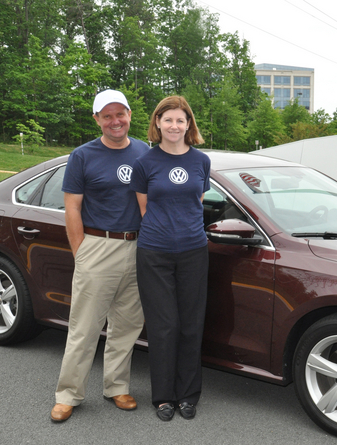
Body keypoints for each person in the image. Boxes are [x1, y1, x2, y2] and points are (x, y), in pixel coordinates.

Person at [51, 90, 148, 422]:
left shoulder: (143, 151)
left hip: (137, 246)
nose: (115, 121)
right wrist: (82, 253)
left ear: (130, 115)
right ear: (97, 120)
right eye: (107, 116)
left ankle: (116, 387)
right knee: (84, 326)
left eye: (120, 114)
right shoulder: (82, 155)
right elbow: (72, 208)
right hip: (97, 244)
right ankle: (68, 394)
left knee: (128, 324)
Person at [129, 96, 211, 421]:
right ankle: (163, 397)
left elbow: (197, 202)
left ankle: (188, 395)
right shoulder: (145, 163)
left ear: (189, 124)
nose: (174, 126)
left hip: (194, 251)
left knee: (192, 325)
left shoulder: (201, 161)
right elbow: (144, 209)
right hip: (154, 252)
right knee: (164, 326)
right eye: (168, 120)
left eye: (181, 120)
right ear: (157, 123)